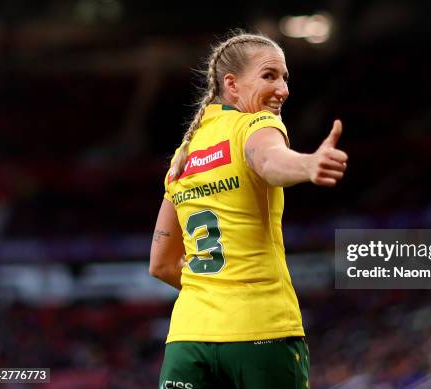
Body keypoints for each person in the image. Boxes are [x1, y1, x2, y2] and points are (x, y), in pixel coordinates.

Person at [149, 31, 348, 389]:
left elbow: (161, 264)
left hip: (187, 341)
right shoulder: (254, 124)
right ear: (232, 84)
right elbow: (270, 159)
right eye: (269, 76)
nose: (283, 89)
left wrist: (214, 293)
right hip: (261, 332)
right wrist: (308, 165)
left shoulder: (182, 157)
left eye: (285, 77)